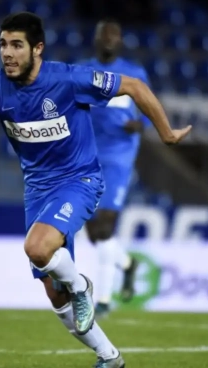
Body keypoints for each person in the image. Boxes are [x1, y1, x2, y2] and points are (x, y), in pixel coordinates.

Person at [0, 12, 191, 368]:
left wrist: (165, 132)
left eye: (16, 45)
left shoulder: (68, 78)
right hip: (38, 191)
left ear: (37, 49)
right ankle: (109, 355)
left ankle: (82, 286)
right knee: (54, 293)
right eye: (3, 44)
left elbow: (134, 86)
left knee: (37, 248)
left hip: (80, 180)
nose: (7, 53)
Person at [80, 19, 151, 319]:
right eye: (104, 34)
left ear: (120, 41)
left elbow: (149, 107)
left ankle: (104, 301)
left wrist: (142, 123)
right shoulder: (83, 71)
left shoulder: (134, 73)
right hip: (87, 155)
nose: (109, 38)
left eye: (114, 34)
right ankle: (127, 264)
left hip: (120, 156)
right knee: (93, 233)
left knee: (106, 226)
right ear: (96, 39)